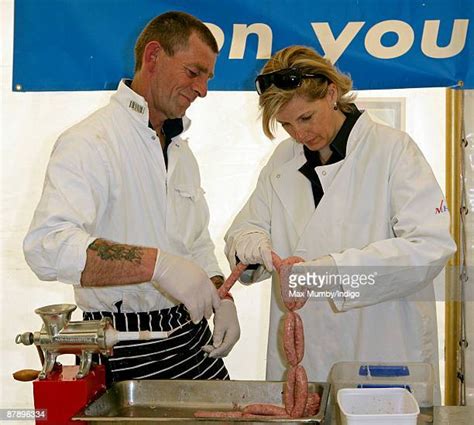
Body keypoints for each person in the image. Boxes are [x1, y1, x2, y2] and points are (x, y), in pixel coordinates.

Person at [224, 46, 456, 399]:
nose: (299, 135)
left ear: (331, 93)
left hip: (380, 345)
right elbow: (246, 227)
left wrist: (330, 274)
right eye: (286, 124)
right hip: (305, 358)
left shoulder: (392, 150)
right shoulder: (283, 160)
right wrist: (253, 245)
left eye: (306, 118)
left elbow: (429, 246)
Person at [23, 11, 240, 382]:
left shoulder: (181, 152)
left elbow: (196, 243)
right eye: (194, 73)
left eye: (208, 78)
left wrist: (222, 296)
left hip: (191, 341)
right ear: (153, 56)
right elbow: (47, 246)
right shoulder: (90, 142)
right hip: (121, 347)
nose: (203, 90)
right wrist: (158, 265)